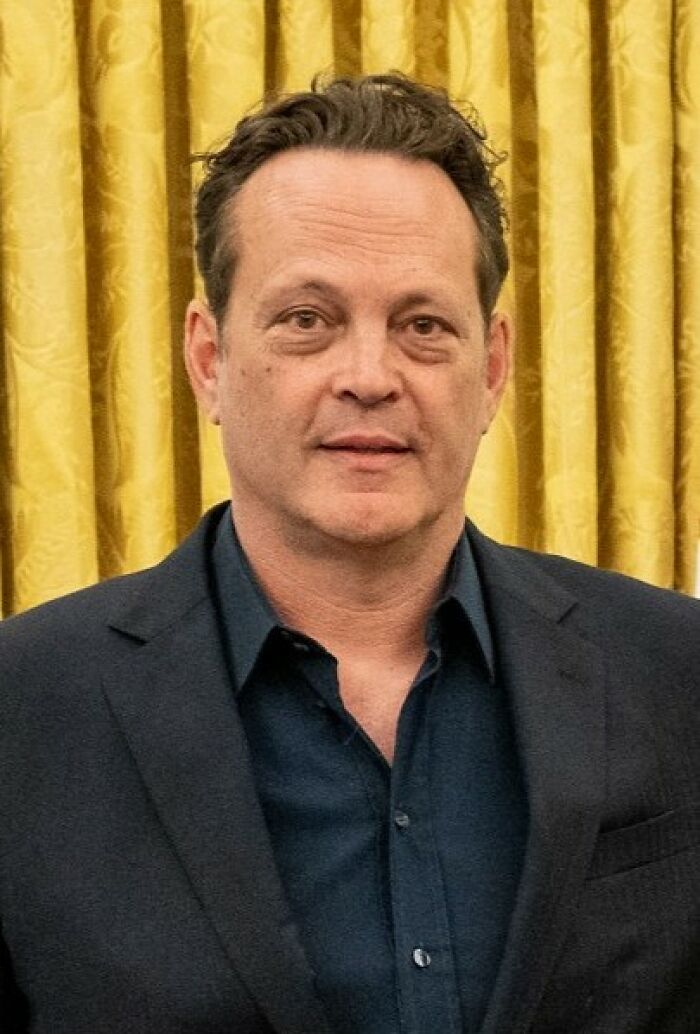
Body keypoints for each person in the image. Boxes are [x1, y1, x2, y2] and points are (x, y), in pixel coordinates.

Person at [1, 74, 698, 1034]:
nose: (369, 377)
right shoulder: (21, 711)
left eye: (422, 325)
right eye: (307, 321)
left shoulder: (678, 674)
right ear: (210, 359)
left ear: (491, 368)